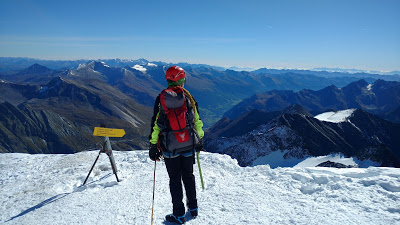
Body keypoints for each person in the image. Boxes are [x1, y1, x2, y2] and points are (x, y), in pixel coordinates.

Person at [149, 66, 204, 224]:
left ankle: (178, 215)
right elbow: (197, 121)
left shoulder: (162, 99)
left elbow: (156, 124)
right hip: (188, 145)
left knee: (175, 180)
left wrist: (153, 146)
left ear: (168, 80)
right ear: (181, 79)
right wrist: (199, 140)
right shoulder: (188, 98)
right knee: (189, 176)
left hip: (170, 148)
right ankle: (193, 208)